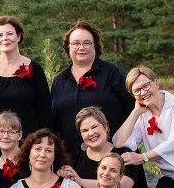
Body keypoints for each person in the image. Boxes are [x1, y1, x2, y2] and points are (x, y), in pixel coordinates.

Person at [58, 106, 150, 188]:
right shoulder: (76, 159)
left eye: (95, 127)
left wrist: (80, 181)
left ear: (106, 126)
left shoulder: (124, 154)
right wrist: (62, 173)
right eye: (84, 130)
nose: (91, 133)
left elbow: (121, 186)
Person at [50, 21, 132, 160]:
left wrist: (126, 144)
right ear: (68, 47)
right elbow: (54, 120)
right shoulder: (59, 80)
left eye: (87, 43)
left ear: (95, 46)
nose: (81, 47)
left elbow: (132, 107)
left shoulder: (111, 72)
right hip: (70, 159)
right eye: (76, 43)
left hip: (110, 158)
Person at [0, 15, 52, 153]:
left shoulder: (34, 69)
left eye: (10, 33)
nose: (5, 38)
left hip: (30, 147)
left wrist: (44, 145)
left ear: (18, 36)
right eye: (0, 35)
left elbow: (45, 110)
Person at [0, 111, 24, 188]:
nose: (5, 136)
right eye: (1, 131)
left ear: (19, 135)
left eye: (11, 132)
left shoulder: (29, 161)